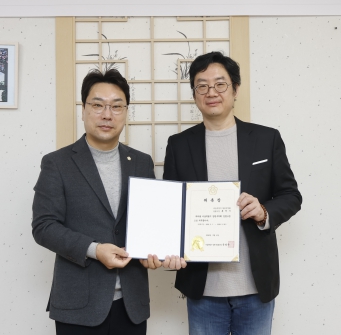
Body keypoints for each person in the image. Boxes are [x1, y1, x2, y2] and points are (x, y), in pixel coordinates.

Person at [32, 68, 182, 335]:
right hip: (78, 306)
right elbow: (44, 227)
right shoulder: (57, 163)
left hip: (132, 305)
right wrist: (94, 249)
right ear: (83, 110)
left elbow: (150, 225)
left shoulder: (141, 161)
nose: (107, 114)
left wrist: (155, 253)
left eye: (116, 106)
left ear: (126, 112)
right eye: (98, 105)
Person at [163, 52, 302, 335]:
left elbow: (290, 195)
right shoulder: (178, 145)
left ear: (235, 89)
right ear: (194, 93)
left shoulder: (266, 139)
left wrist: (263, 212)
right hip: (202, 287)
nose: (211, 92)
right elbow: (170, 208)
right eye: (202, 85)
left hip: (255, 286)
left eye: (220, 84)